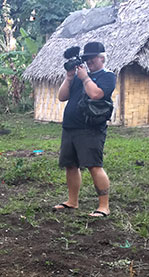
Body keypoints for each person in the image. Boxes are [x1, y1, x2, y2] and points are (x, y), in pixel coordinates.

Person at [54, 41, 116, 217]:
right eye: (86, 59)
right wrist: (69, 77)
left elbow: (96, 94)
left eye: (92, 58)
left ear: (102, 58)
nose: (89, 62)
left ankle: (104, 206)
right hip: (70, 127)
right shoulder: (78, 78)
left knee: (94, 166)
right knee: (71, 165)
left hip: (91, 129)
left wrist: (84, 78)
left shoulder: (107, 76)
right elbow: (62, 96)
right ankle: (72, 202)